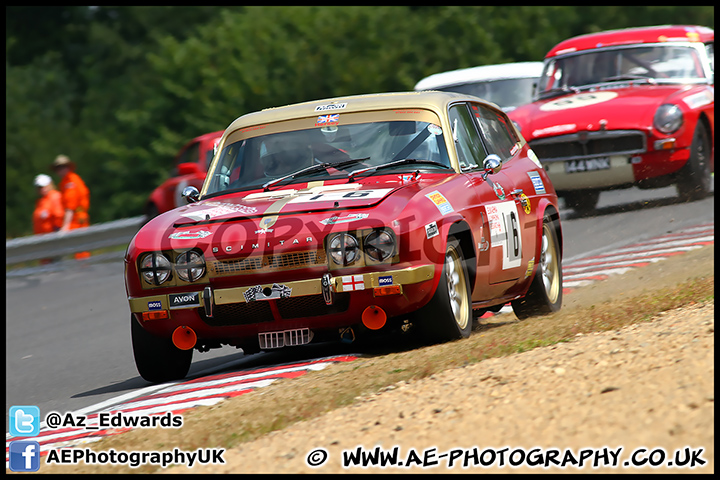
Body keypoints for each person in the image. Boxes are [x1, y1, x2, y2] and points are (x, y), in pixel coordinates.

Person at [52, 154, 91, 259]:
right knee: (78, 248)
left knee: (80, 249)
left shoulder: (70, 183)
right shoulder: (66, 181)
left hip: (77, 220)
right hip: (77, 218)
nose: (60, 170)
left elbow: (70, 207)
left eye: (63, 167)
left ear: (68, 167)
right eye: (58, 168)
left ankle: (84, 270)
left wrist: (65, 227)